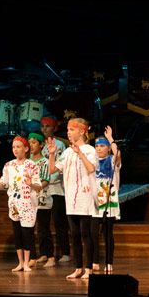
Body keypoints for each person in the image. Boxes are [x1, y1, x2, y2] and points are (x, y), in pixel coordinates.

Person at [46, 117, 97, 280]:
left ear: (82, 131)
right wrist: (52, 154)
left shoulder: (90, 150)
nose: (68, 133)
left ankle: (88, 268)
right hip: (71, 200)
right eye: (67, 130)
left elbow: (91, 169)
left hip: (85, 198)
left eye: (71, 130)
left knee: (85, 234)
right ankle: (78, 267)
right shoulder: (67, 152)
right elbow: (53, 169)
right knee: (74, 234)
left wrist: (80, 153)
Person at [0, 136, 42, 273]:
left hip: (28, 203)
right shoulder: (8, 165)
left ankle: (27, 263)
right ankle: (20, 262)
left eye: (18, 147)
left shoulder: (31, 165)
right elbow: (3, 186)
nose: (15, 150)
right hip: (14, 203)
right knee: (17, 233)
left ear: (26, 149)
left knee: (27, 233)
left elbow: (38, 187)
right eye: (13, 147)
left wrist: (31, 184)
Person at [90, 126, 122, 274]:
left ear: (108, 148)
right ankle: (95, 261)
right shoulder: (93, 161)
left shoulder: (111, 160)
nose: (98, 148)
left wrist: (110, 139)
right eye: (96, 146)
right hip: (95, 200)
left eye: (102, 145)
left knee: (108, 234)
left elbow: (118, 154)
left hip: (109, 200)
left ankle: (109, 263)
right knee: (93, 233)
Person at [40, 115, 71, 263]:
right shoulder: (41, 145)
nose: (44, 129)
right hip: (43, 190)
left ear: (54, 128)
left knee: (60, 223)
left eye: (47, 126)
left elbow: (60, 167)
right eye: (43, 126)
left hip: (57, 188)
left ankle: (65, 252)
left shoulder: (59, 144)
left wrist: (48, 180)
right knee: (44, 223)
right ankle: (46, 252)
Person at [28, 132, 54, 267]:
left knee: (44, 228)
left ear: (41, 144)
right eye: (30, 143)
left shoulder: (44, 162)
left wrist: (34, 186)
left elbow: (46, 181)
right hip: (29, 200)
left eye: (34, 143)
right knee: (31, 228)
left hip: (42, 199)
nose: (31, 145)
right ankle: (41, 254)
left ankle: (50, 256)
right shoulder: (27, 162)